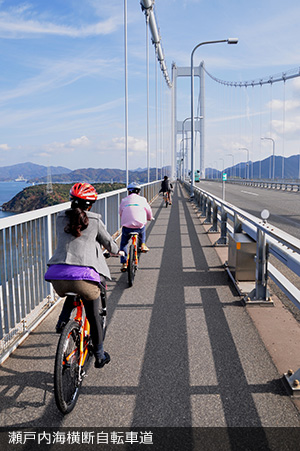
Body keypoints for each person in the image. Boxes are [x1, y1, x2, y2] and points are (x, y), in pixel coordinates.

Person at [44, 182, 120, 369]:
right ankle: (100, 355)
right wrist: (118, 251)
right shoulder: (94, 221)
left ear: (71, 200)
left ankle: (63, 320)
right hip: (83, 278)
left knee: (72, 286)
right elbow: (111, 245)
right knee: (93, 314)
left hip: (57, 277)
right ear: (90, 205)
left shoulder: (59, 218)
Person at [119, 182, 153, 272]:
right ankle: (143, 244)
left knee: (124, 244)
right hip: (138, 226)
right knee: (142, 228)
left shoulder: (124, 200)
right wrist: (149, 218)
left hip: (127, 226)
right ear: (139, 192)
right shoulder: (142, 200)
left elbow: (121, 213)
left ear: (128, 192)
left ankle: (124, 263)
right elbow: (149, 211)